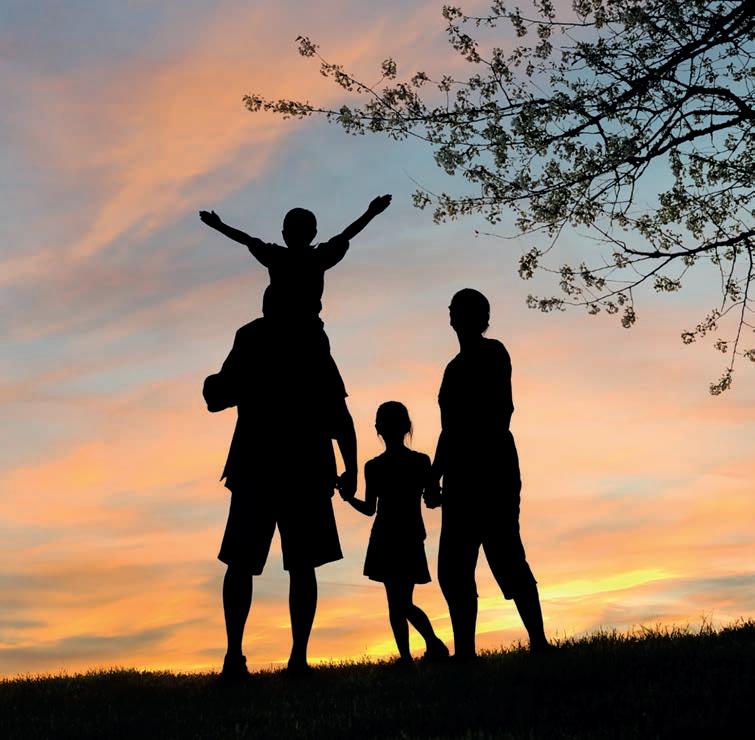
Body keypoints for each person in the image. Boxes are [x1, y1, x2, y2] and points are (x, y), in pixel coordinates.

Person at [203, 313, 359, 680]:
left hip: (258, 465)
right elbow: (339, 412)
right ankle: (295, 658)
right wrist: (351, 467)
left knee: (243, 562)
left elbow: (218, 396)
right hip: (303, 466)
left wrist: (213, 385)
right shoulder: (310, 338)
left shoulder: (254, 336)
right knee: (299, 565)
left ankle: (237, 656)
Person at [428, 288, 550, 659]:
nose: (453, 315)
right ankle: (465, 652)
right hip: (462, 475)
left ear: (479, 318)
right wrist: (435, 475)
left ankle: (539, 642)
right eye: (453, 309)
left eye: (458, 310)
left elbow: (499, 412)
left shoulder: (493, 353)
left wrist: (450, 466)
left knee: (506, 555)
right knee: (454, 568)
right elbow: (448, 429)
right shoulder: (452, 369)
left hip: (492, 468)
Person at [199, 196, 392, 399]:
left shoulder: (283, 256)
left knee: (246, 335)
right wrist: (371, 212)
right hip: (293, 326)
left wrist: (219, 226)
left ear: (286, 234)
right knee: (248, 335)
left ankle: (224, 388)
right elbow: (346, 235)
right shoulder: (310, 256)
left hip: (293, 326)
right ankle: (226, 388)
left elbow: (247, 239)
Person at [340, 401, 448, 665]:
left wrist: (348, 499)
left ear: (378, 429)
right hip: (410, 535)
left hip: (386, 537)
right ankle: (422, 650)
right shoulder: (420, 461)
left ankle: (420, 650)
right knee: (402, 601)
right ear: (407, 427)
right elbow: (433, 498)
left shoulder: (374, 466)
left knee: (397, 602)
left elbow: (369, 509)